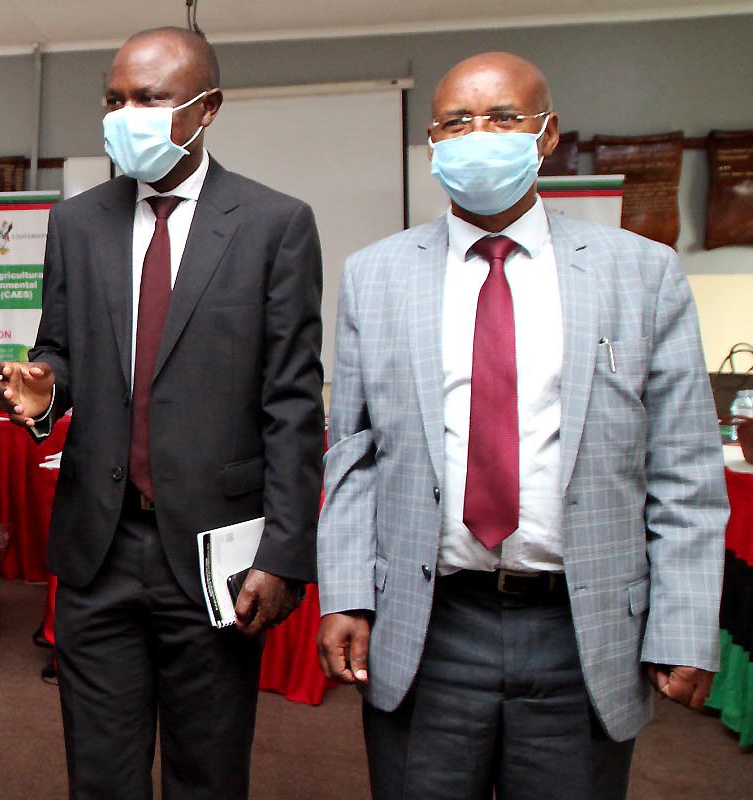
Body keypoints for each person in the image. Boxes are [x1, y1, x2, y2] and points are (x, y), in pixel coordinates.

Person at [316, 51, 727, 799]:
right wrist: (345, 593)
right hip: (429, 623)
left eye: (503, 117)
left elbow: (686, 469)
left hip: (581, 627)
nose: (480, 135)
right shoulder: (376, 274)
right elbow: (354, 451)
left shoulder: (639, 271)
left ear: (546, 135)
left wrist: (684, 623)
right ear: (433, 143)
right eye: (455, 122)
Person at [0, 27, 324, 799]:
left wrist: (283, 553)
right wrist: (46, 391)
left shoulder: (275, 224)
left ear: (206, 108)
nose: (125, 115)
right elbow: (62, 350)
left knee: (206, 775)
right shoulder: (78, 223)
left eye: (148, 99)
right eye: (114, 99)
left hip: (217, 555)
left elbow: (292, 403)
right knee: (100, 777)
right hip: (98, 550)